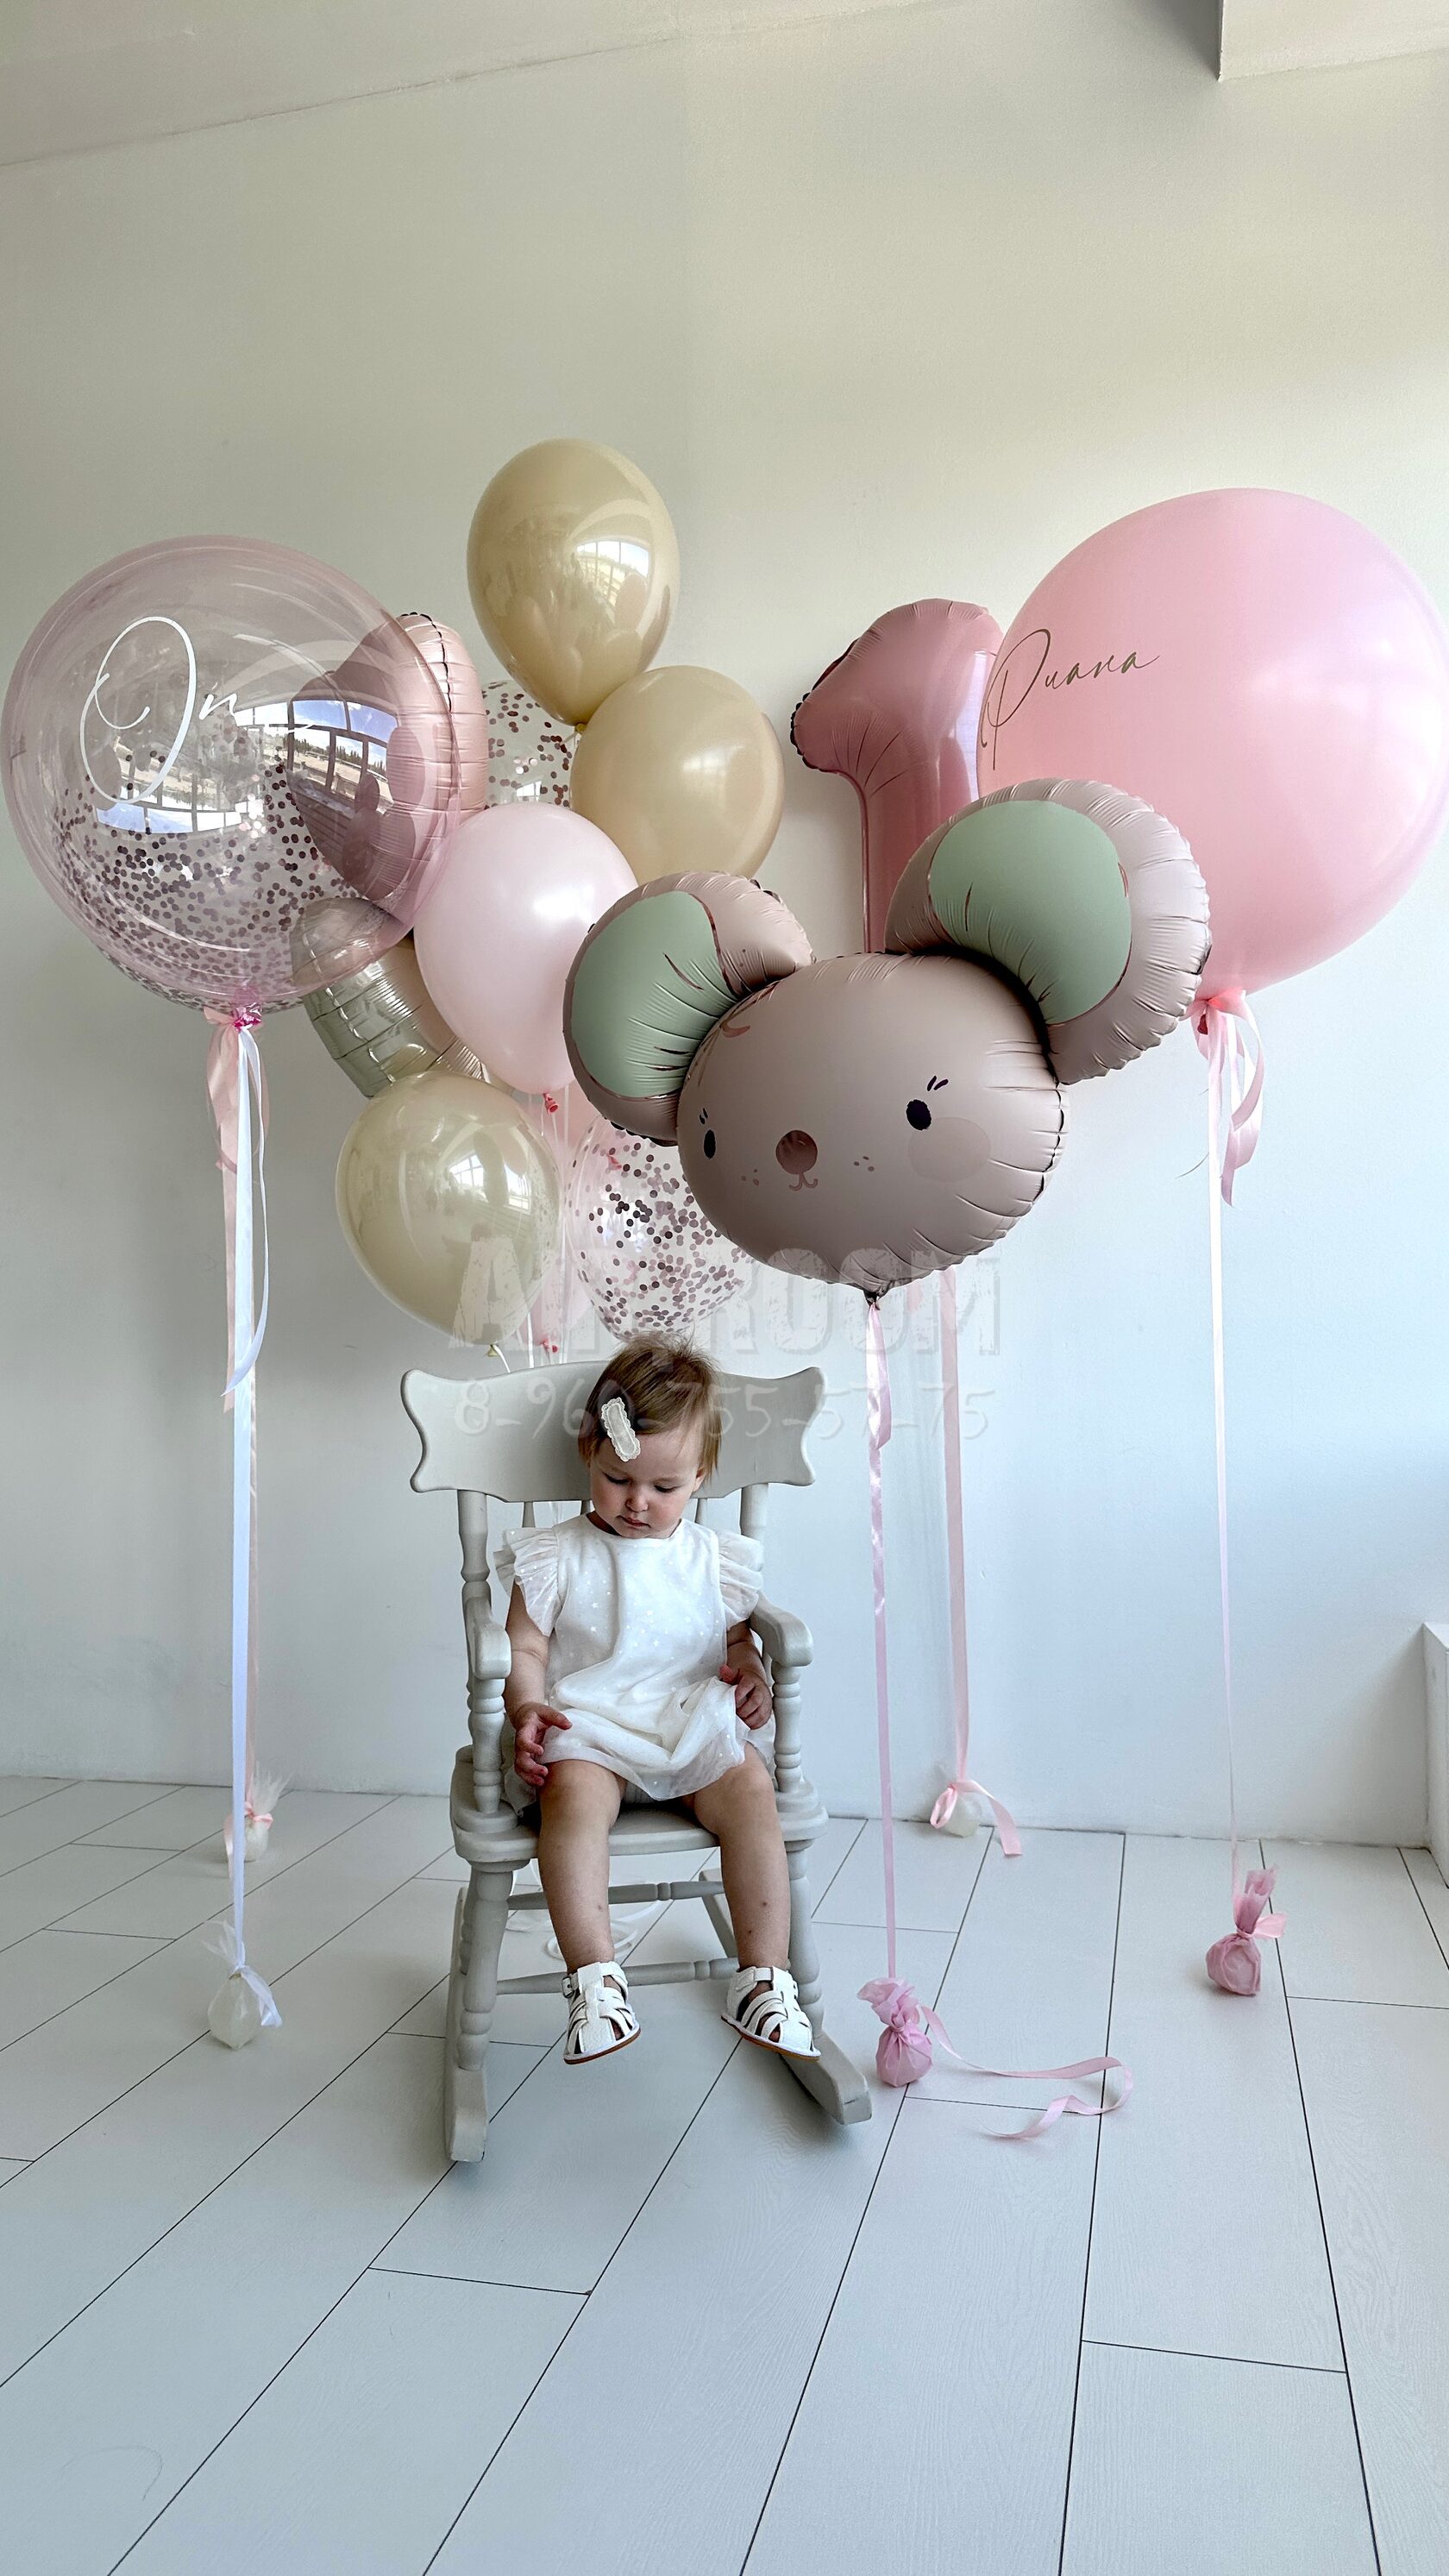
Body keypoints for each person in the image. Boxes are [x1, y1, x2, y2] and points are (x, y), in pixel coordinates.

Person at [499, 1337, 819, 2067]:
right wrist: (525, 1708)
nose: (638, 1502)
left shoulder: (713, 1558)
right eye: (617, 1479)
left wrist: (750, 1670)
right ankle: (595, 1978)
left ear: (700, 1476)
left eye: (665, 1487)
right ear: (589, 1453)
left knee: (751, 1789)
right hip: (592, 1728)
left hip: (688, 1721)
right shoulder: (556, 1555)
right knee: (571, 1800)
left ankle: (763, 1977)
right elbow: (525, 1648)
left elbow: (733, 1639)